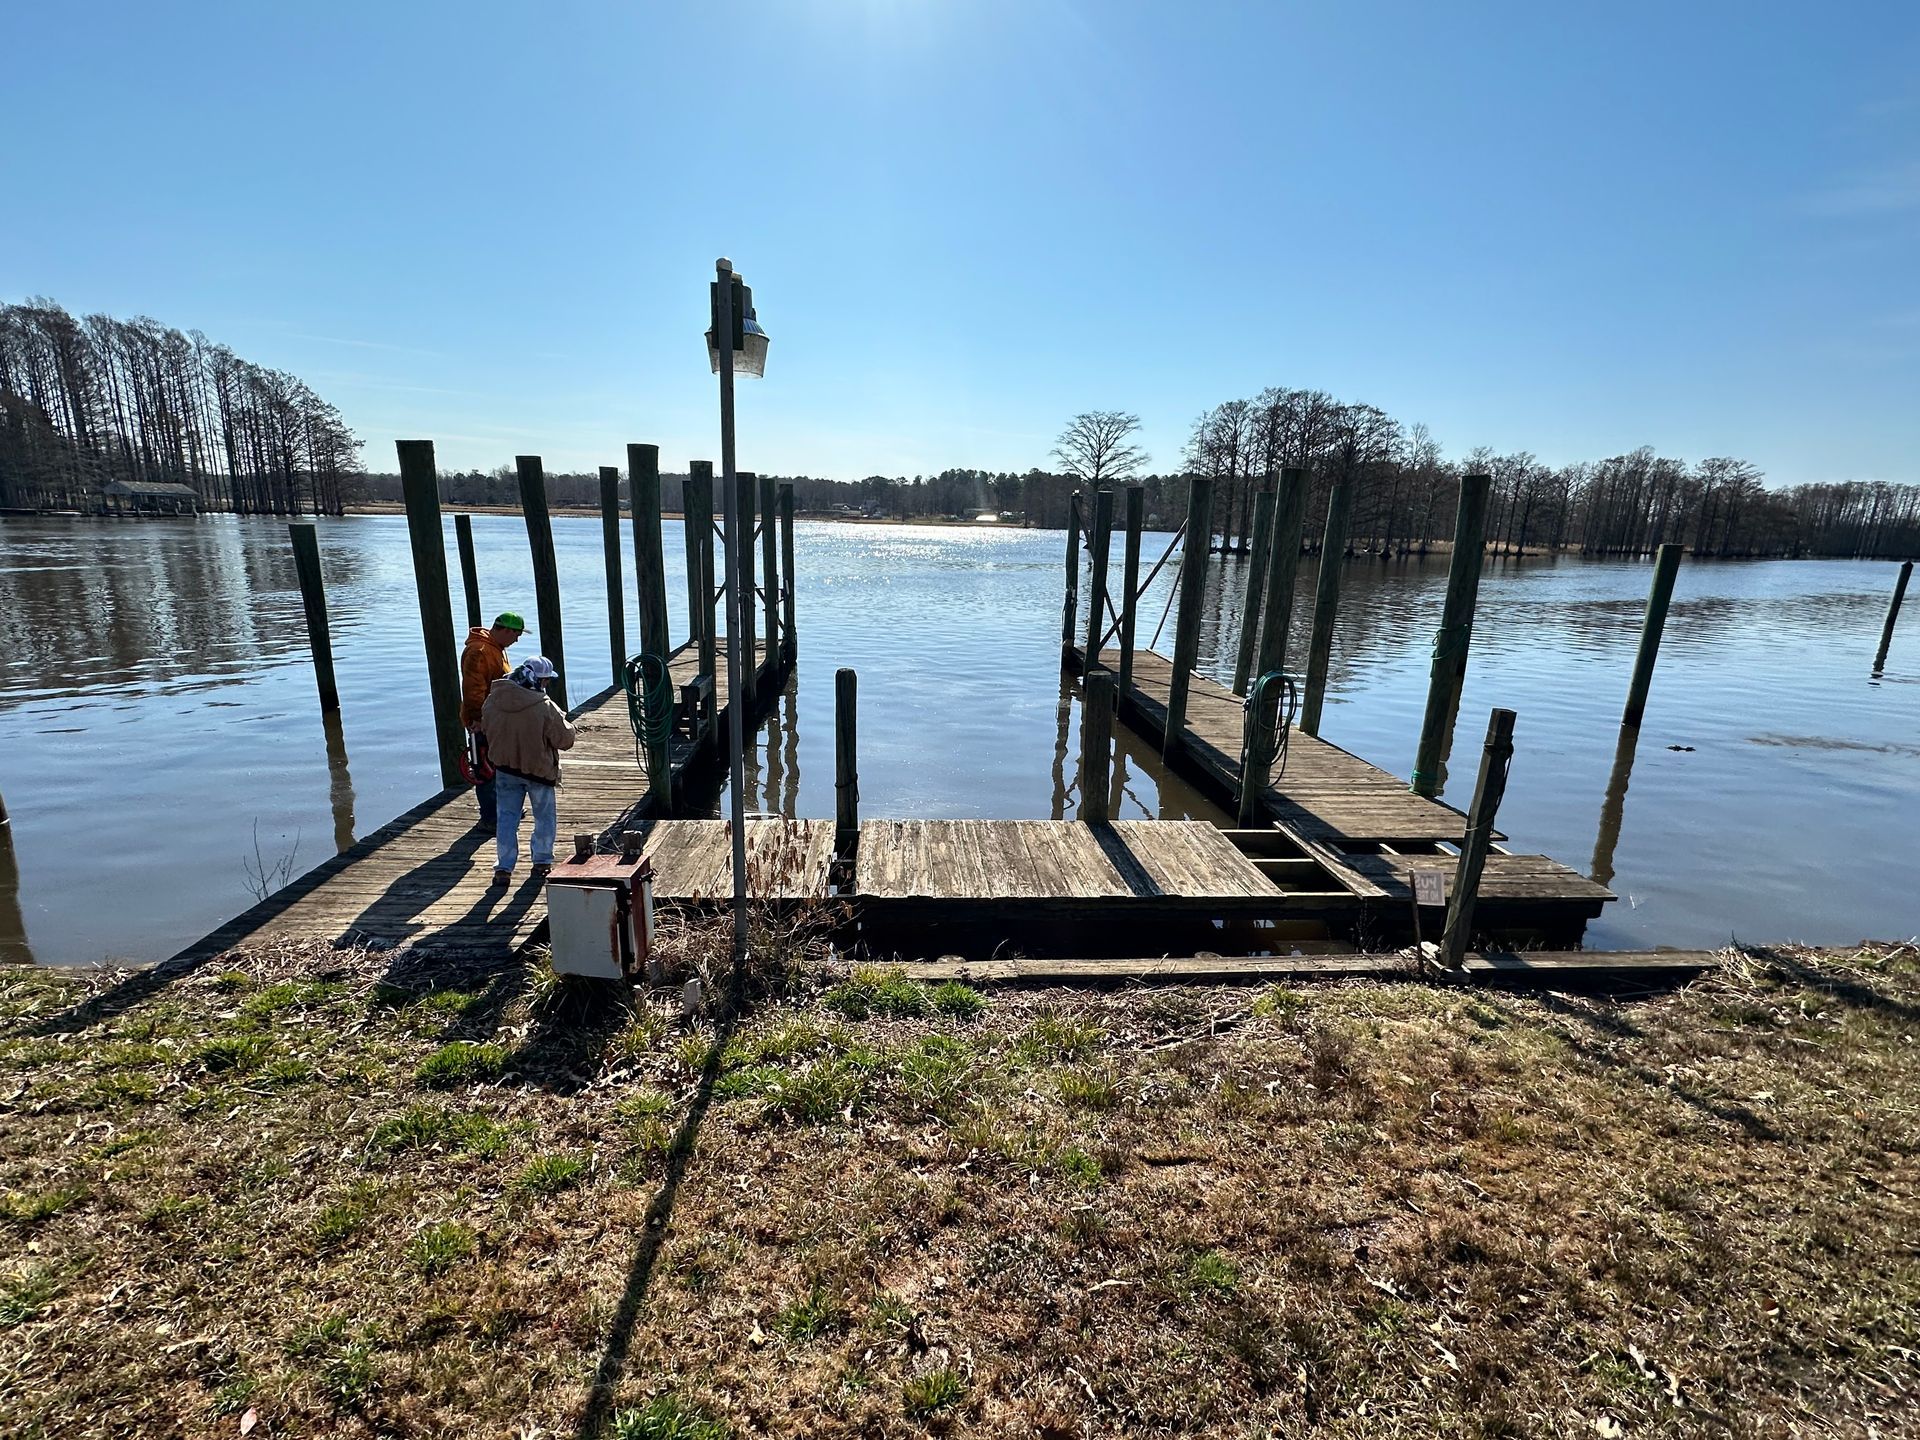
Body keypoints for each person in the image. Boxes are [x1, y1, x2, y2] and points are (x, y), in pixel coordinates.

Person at [480, 655, 575, 885]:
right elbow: (565, 740)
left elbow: (485, 728)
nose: (546, 685)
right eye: (545, 680)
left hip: (504, 770)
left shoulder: (492, 701)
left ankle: (503, 867)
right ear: (536, 679)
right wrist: (570, 726)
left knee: (506, 819)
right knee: (544, 817)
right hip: (538, 772)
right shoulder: (544, 706)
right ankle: (541, 861)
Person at [460, 612, 525, 833]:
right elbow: (473, 691)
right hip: (484, 722)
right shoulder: (479, 652)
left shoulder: (495, 648)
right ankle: (489, 818)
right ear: (504, 630)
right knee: (485, 771)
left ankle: (503, 811)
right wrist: (478, 719)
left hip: (497, 720)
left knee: (500, 767)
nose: (516, 640)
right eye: (515, 635)